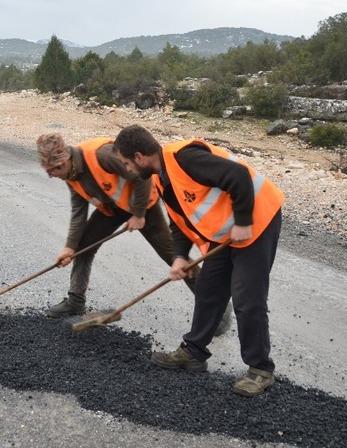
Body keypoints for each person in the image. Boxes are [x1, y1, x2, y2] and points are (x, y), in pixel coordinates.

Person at [112, 125, 284, 397]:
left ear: (139, 156)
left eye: (126, 163)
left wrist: (243, 221)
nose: (128, 170)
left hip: (258, 220)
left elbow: (238, 175)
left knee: (247, 298)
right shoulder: (161, 178)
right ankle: (194, 353)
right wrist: (180, 257)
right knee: (208, 288)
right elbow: (179, 223)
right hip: (227, 231)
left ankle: (261, 370)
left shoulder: (185, 159)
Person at [37, 133, 189, 318]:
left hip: (142, 205)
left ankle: (216, 309)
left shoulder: (102, 155)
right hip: (113, 208)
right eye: (49, 172)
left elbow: (142, 177)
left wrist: (139, 214)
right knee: (83, 248)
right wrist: (70, 247)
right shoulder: (71, 174)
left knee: (174, 256)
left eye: (53, 171)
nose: (52, 176)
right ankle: (75, 302)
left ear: (63, 162)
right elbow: (79, 213)